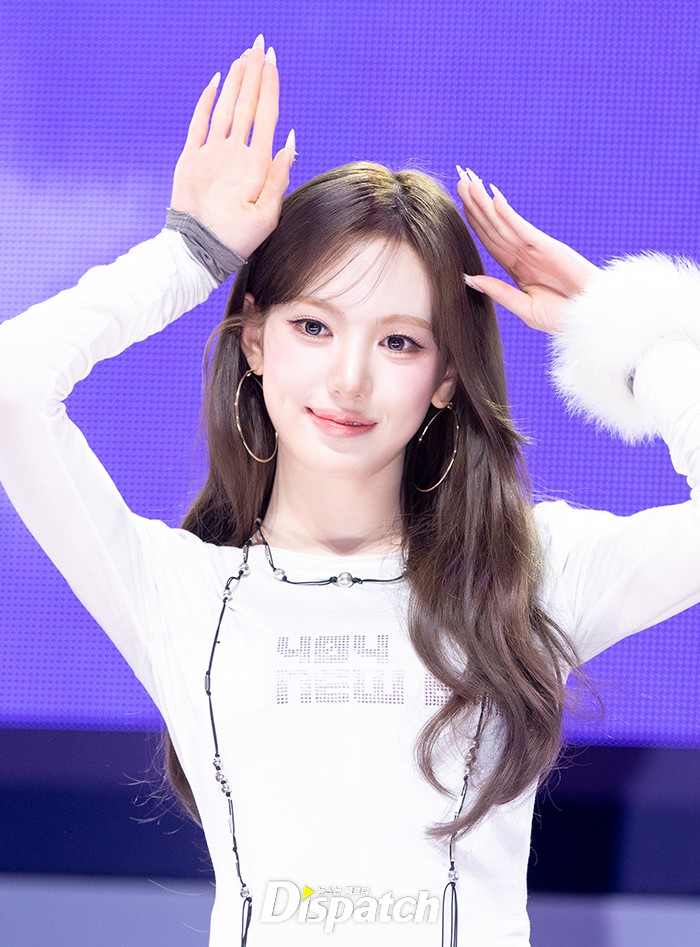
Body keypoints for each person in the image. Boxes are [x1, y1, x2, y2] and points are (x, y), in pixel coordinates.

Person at [1, 33, 699, 947]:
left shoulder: (527, 573)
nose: (349, 379)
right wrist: (189, 254)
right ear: (256, 340)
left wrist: (636, 345)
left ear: (446, 377)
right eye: (313, 326)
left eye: (400, 341)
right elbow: (13, 388)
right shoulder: (179, 591)